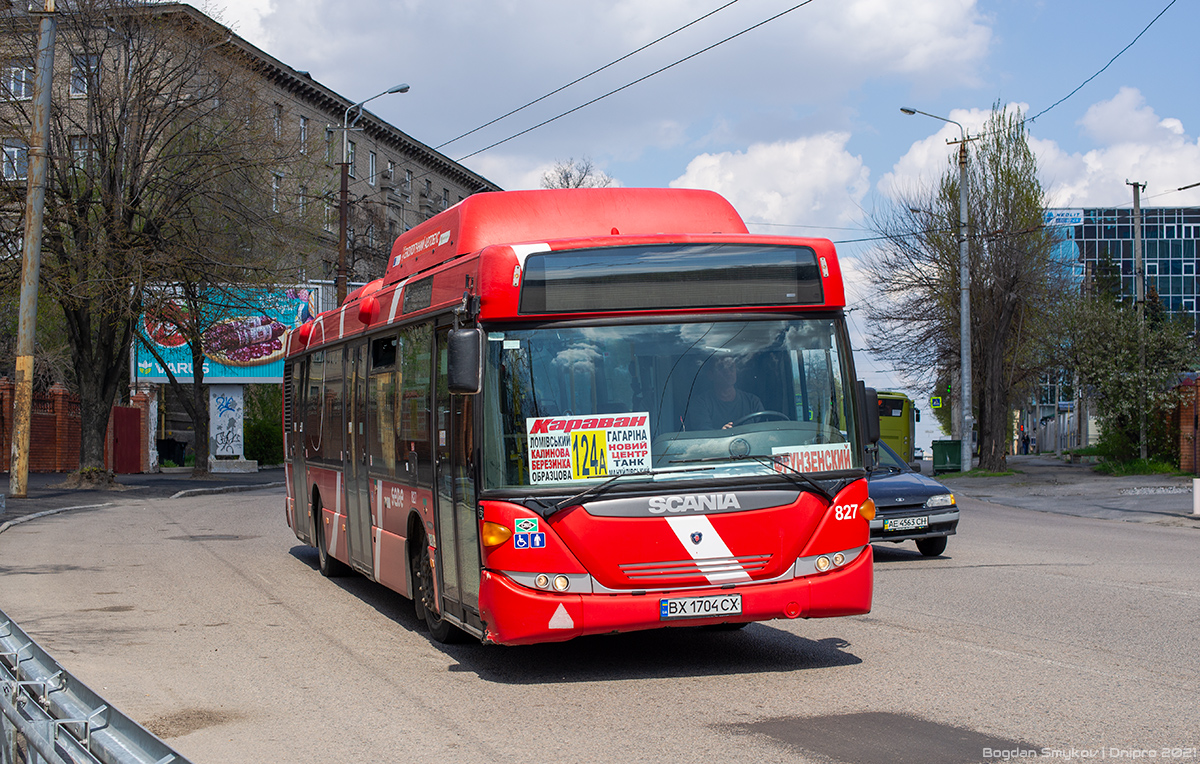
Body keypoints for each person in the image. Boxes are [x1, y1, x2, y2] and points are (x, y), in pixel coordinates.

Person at [684, 355, 765, 430]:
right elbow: (704, 437)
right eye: (721, 368)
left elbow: (765, 433)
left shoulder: (753, 402)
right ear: (710, 375)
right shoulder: (701, 403)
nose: (728, 372)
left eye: (731, 368)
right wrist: (722, 435)